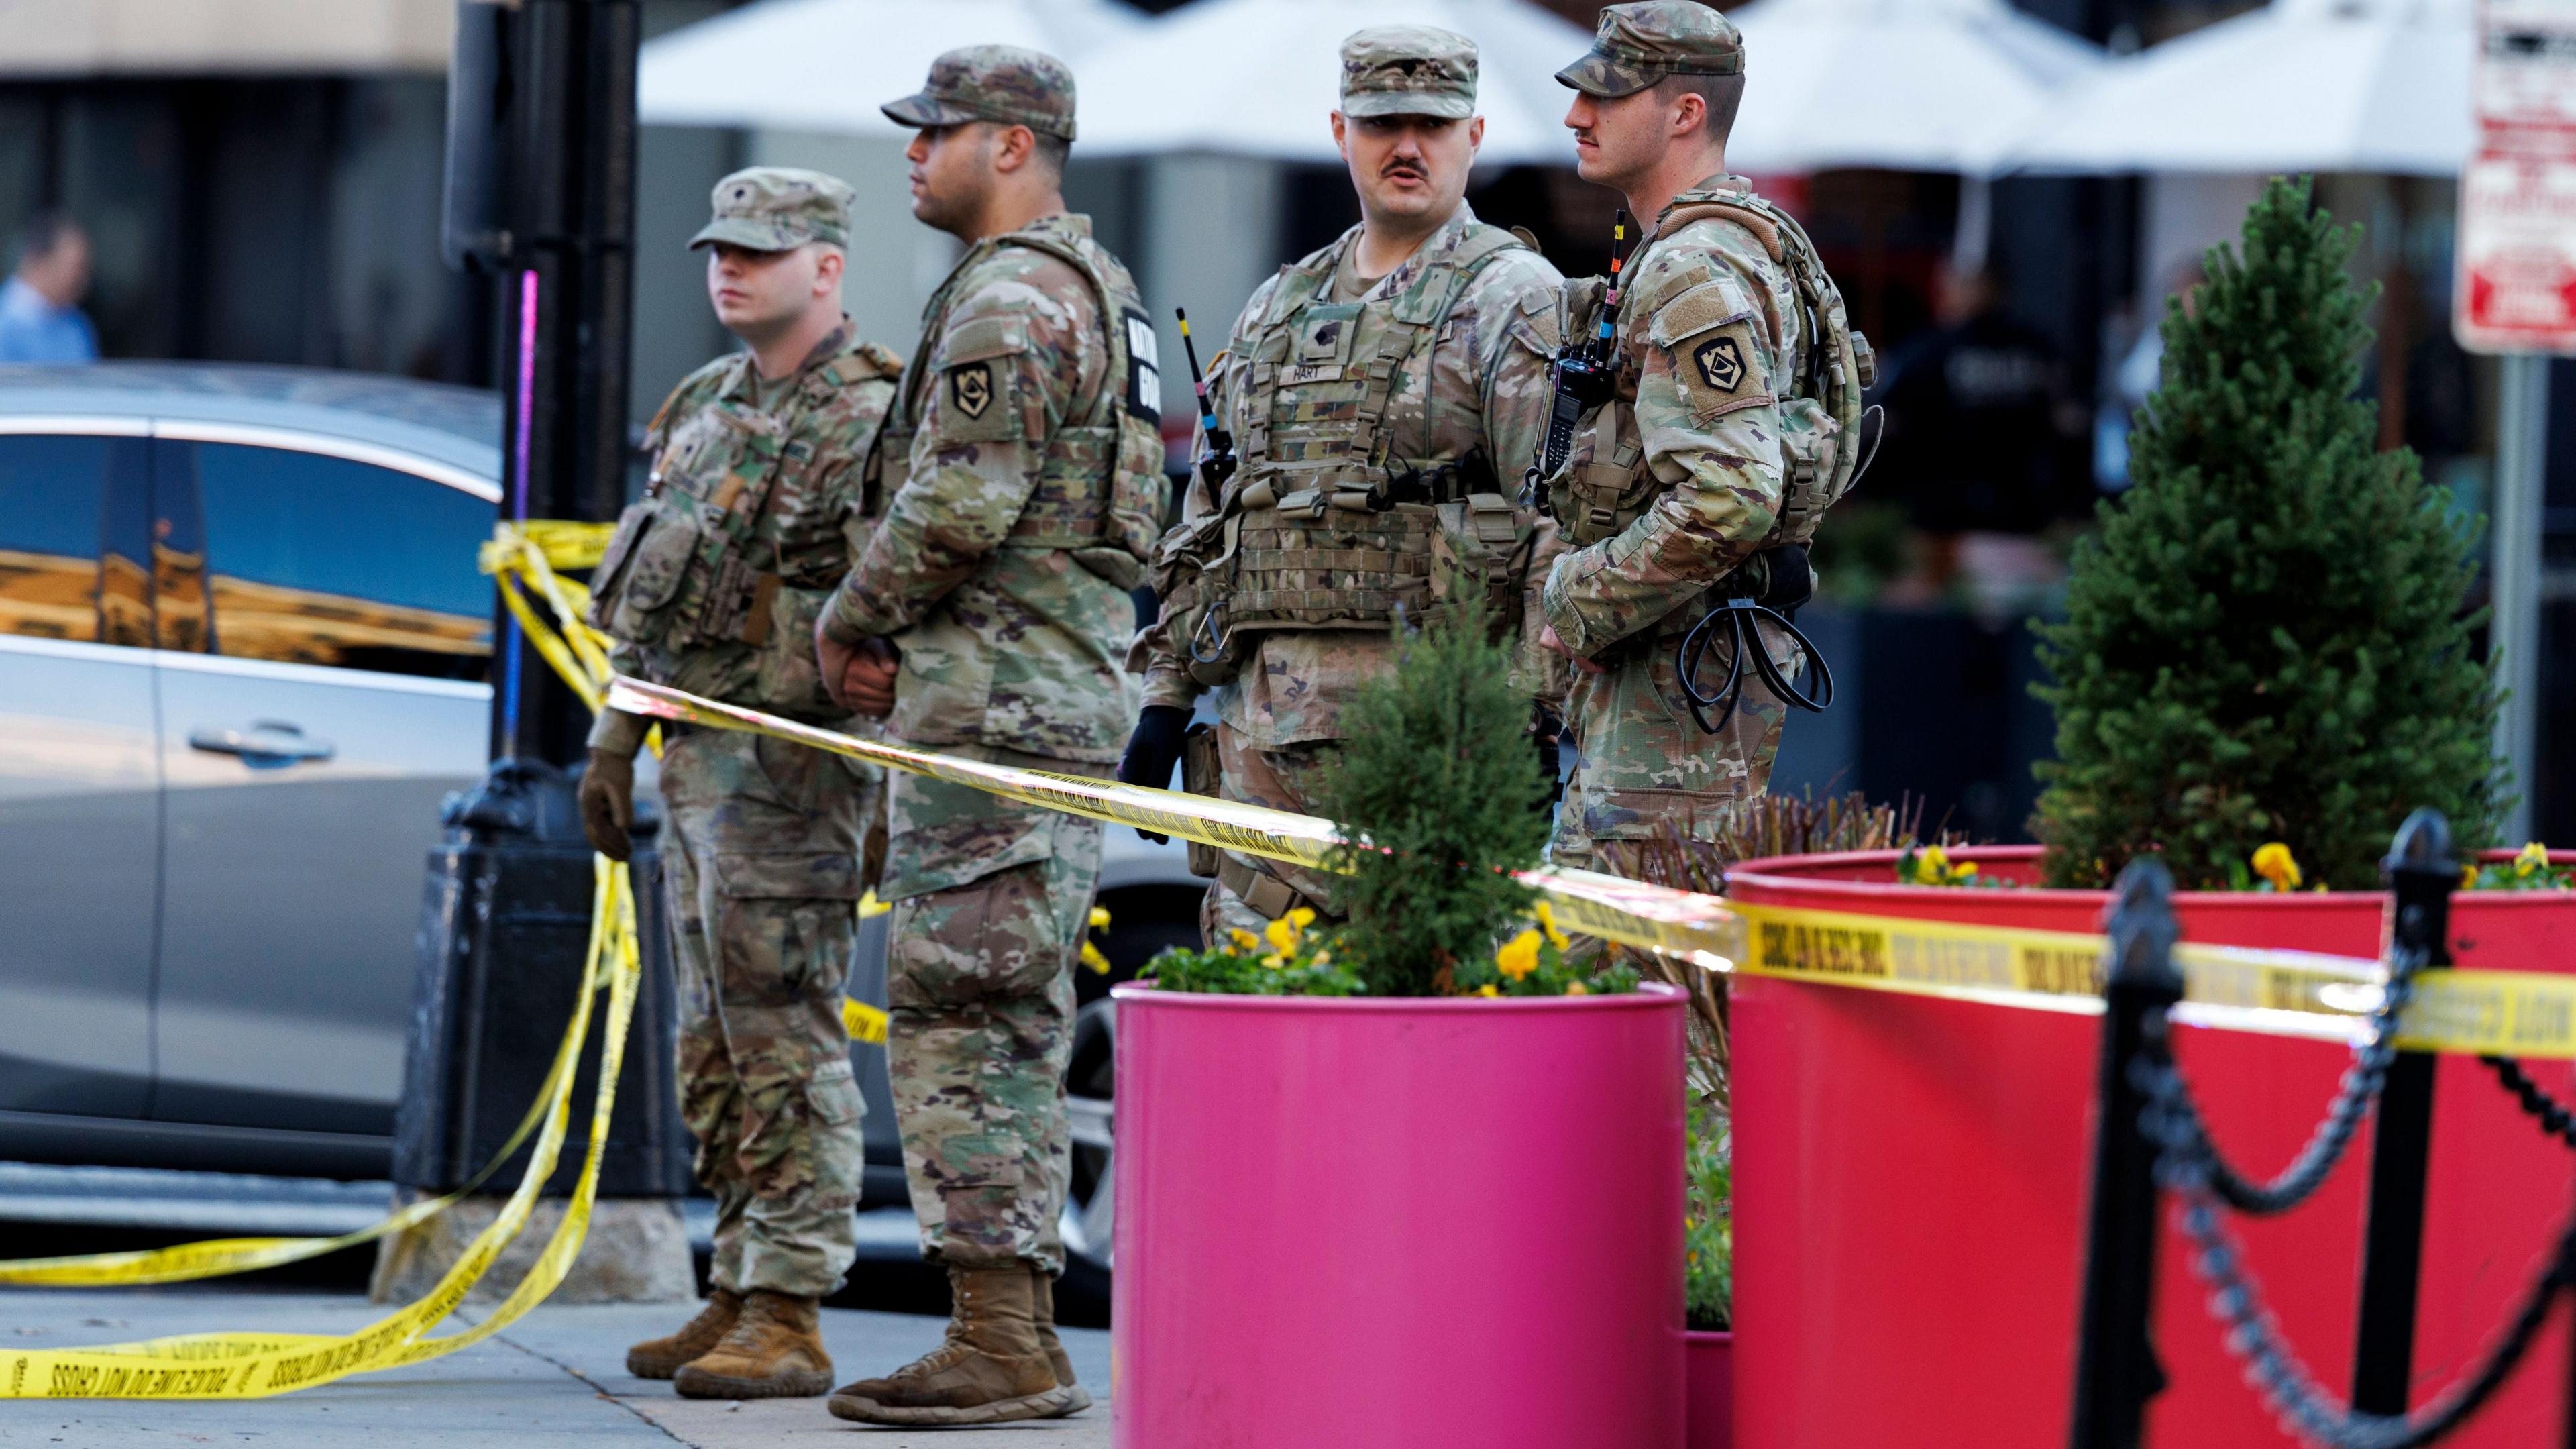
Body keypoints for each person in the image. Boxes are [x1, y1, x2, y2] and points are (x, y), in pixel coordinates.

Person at [811, 45, 1159, 1427]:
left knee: (967, 1015)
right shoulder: (1089, 285)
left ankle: (1002, 1338)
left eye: (935, 131)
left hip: (1000, 708)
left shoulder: (1014, 298)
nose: (912, 153)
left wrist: (850, 617)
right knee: (1000, 1010)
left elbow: (961, 504)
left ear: (1010, 147)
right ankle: (1006, 1332)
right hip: (1033, 700)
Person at [1119, 24, 1566, 943]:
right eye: (1382, 122)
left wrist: (1534, 717)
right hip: (1263, 773)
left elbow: (1554, 522)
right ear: (1340, 131)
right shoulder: (1278, 306)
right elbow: (1209, 513)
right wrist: (1164, 699)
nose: (1408, 147)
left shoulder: (1513, 298)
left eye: (1433, 125)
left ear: (1473, 138)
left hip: (1433, 762)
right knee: (1263, 1036)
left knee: (1423, 1041)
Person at [577, 168, 901, 1401]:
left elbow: (900, 609)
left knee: (784, 1038)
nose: (731, 269)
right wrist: (615, 738)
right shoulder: (704, 404)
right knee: (707, 1043)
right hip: (697, 769)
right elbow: (652, 601)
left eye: (762, 253)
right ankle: (735, 1280)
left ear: (827, 268)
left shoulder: (874, 417)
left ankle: (793, 1305)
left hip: (797, 768)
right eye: (722, 248)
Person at [1536, 1, 1866, 877]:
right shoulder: (1742, 244)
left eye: (1607, 97)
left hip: (1673, 696)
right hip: (1693, 676)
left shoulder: (1695, 267)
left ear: (1686, 113)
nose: (1577, 115)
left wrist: (1576, 599)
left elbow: (1733, 493)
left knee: (1621, 978)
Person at [0, 214, 99, 364]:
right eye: (76, 269)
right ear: (39, 260)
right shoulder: (5, 323)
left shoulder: (77, 325)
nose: (82, 280)